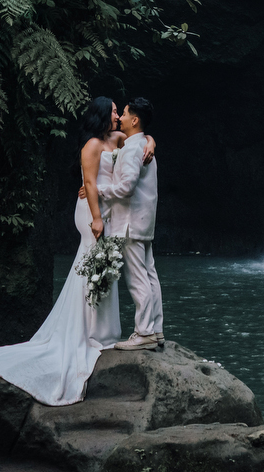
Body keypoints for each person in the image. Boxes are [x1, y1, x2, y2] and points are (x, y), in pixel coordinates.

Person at [0, 96, 132, 404]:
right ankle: (89, 331)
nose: (119, 116)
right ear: (103, 114)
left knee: (104, 264)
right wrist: (95, 218)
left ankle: (102, 331)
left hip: (107, 209)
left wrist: (150, 143)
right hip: (91, 211)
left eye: (120, 112)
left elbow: (138, 140)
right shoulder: (92, 145)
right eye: (115, 111)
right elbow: (90, 184)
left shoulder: (116, 139)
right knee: (93, 263)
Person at [96, 96, 161, 349]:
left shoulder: (134, 148)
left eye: (123, 113)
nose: (120, 118)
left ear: (134, 120)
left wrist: (101, 190)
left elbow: (127, 187)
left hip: (130, 222)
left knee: (137, 278)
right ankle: (156, 329)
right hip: (144, 221)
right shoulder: (143, 144)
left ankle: (144, 333)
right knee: (150, 275)